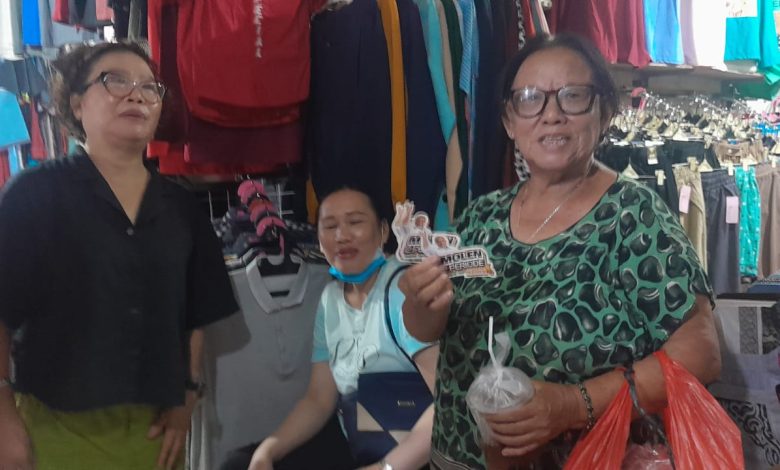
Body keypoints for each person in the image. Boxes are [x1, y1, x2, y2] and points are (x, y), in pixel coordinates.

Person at [399, 34, 721, 469]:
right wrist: (421, 304)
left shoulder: (633, 216)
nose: (551, 115)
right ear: (510, 121)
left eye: (572, 96)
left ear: (604, 112)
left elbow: (701, 353)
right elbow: (428, 328)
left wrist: (573, 404)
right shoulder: (481, 216)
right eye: (530, 99)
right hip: (456, 456)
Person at [0, 42, 238, 470]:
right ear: (76, 104)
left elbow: (195, 314)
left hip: (154, 434)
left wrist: (187, 397)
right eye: (116, 81)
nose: (136, 94)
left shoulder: (181, 208)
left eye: (150, 87)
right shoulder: (34, 195)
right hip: (55, 429)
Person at [229, 187, 438, 470]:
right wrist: (268, 450)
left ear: (383, 231)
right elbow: (319, 399)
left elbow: (447, 401)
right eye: (330, 226)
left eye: (355, 222)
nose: (342, 235)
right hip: (357, 444)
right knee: (239, 464)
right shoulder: (330, 300)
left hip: (414, 455)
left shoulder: (403, 289)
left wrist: (386, 468)